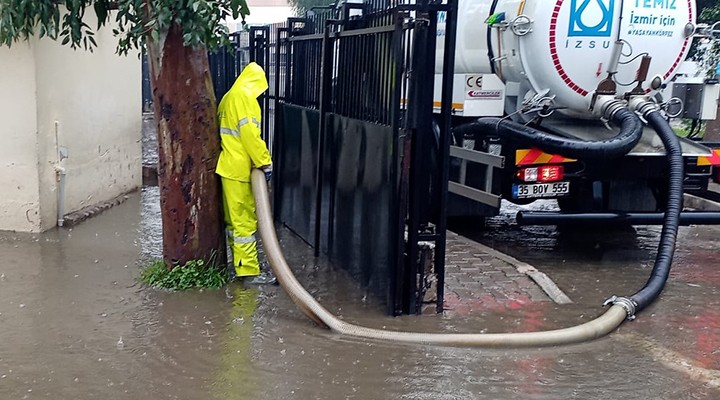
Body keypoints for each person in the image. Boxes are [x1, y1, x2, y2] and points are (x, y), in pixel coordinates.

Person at [216, 62, 275, 285]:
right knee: (244, 224)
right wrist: (264, 162)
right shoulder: (244, 98)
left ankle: (239, 265)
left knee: (233, 222)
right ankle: (248, 273)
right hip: (240, 169)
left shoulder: (229, 96)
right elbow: (250, 134)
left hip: (228, 166)